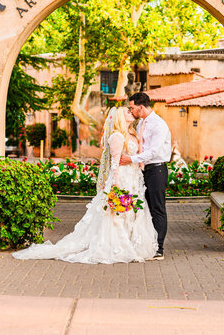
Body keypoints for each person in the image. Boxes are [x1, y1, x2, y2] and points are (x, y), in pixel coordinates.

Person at [12, 107, 158, 264]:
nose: (131, 113)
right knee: (116, 214)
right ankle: (117, 246)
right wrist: (116, 186)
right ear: (120, 118)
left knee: (132, 212)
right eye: (127, 112)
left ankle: (132, 244)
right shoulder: (117, 136)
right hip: (121, 179)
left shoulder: (132, 134)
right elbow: (114, 164)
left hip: (133, 178)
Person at [120, 92, 171, 260]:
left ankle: (159, 248)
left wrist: (131, 159)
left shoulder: (158, 125)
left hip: (157, 170)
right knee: (146, 208)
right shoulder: (141, 123)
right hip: (144, 171)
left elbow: (153, 151)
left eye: (132, 108)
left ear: (141, 107)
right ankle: (149, 245)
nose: (131, 110)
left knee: (157, 208)